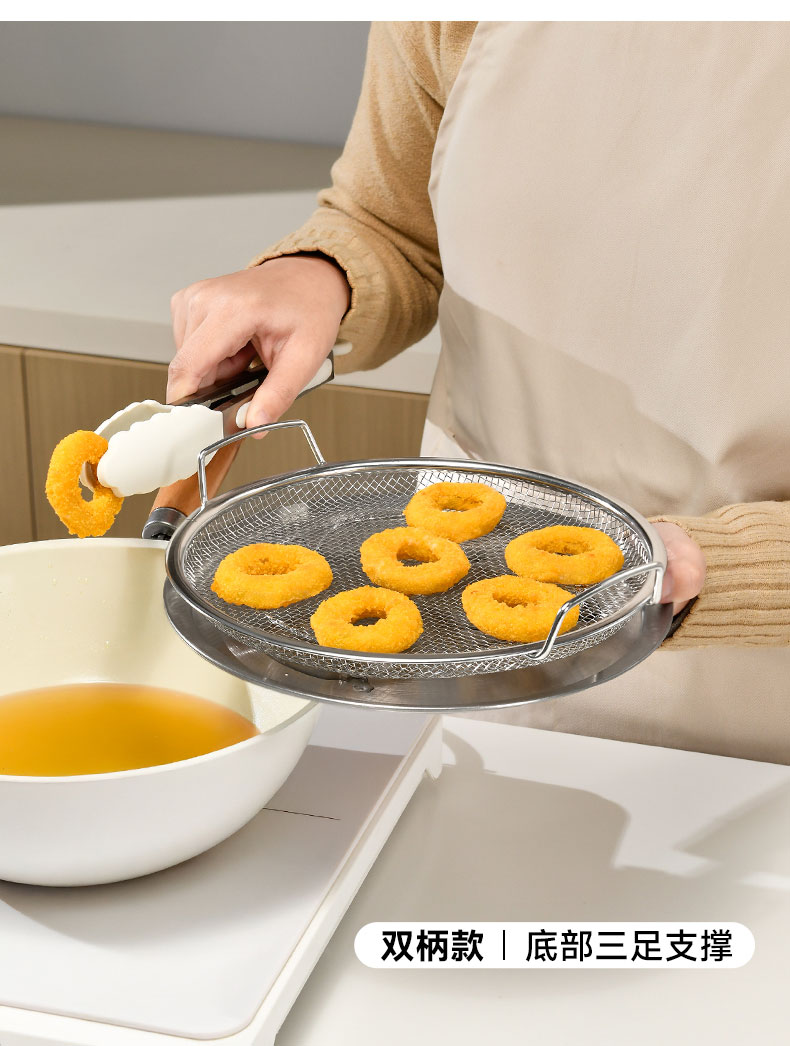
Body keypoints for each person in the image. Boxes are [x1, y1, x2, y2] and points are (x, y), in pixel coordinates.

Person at [167, 22, 790, 764]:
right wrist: (318, 274)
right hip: (458, 651)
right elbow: (392, 222)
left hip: (757, 694)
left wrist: (721, 563)